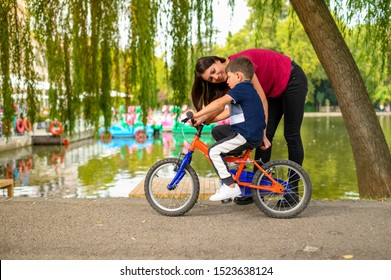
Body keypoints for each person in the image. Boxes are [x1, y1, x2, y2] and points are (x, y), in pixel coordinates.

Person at [191, 48, 308, 205]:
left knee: (291, 135)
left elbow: (262, 101)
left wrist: (263, 132)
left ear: (217, 61)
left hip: (291, 79)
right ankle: (257, 190)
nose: (215, 77)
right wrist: (201, 119)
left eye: (213, 71)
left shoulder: (238, 66)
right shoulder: (230, 80)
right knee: (262, 142)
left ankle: (293, 193)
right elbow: (220, 108)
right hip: (272, 92)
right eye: (210, 79)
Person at [190, 56, 266, 201]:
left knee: (214, 151)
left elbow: (220, 103)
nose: (226, 81)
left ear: (238, 76)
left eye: (229, 77)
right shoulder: (244, 91)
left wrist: (197, 113)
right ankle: (232, 163)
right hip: (247, 132)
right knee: (217, 131)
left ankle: (231, 186)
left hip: (246, 134)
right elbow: (225, 113)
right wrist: (204, 120)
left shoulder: (241, 88)